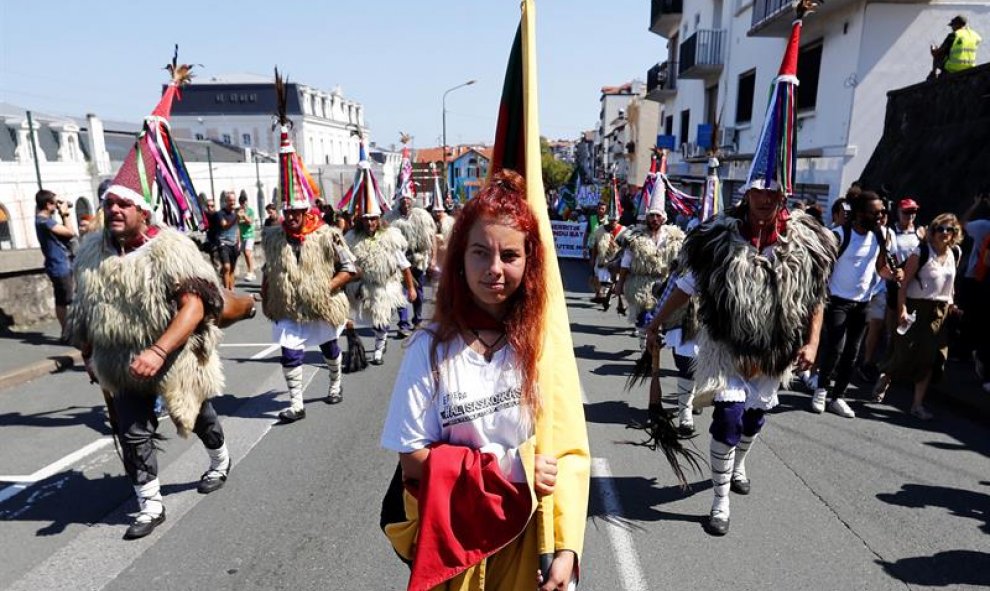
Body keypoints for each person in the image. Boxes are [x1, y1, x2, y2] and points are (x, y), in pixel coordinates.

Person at [380, 170, 587, 589]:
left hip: (527, 539)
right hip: (455, 539)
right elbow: (412, 460)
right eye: (480, 252)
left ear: (530, 262)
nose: (494, 269)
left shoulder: (542, 347)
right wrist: (512, 469)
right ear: (460, 258)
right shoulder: (430, 348)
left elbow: (564, 451)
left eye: (510, 256)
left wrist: (566, 548)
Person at [69, 59, 230, 539]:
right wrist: (90, 354)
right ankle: (148, 504)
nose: (113, 210)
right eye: (109, 204)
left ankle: (219, 459)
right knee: (132, 430)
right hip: (121, 361)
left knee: (198, 416)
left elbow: (196, 305)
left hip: (172, 355)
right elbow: (85, 310)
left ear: (143, 210)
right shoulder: (91, 252)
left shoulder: (170, 248)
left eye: (123, 204)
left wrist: (160, 349)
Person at [262, 105, 356, 422]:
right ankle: (296, 403)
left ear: (306, 211)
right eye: (286, 212)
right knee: (289, 352)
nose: (290, 217)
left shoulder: (328, 235)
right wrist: (266, 296)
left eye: (295, 212)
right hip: (288, 307)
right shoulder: (274, 237)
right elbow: (268, 270)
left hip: (322, 305)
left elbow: (350, 268)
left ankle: (335, 383)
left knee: (329, 348)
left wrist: (326, 288)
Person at [811, 191, 902, 418]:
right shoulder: (839, 235)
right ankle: (821, 389)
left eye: (883, 211)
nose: (881, 216)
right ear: (860, 213)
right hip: (836, 300)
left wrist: (892, 275)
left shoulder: (880, 237)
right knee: (835, 348)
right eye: (876, 212)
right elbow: (821, 269)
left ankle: (838, 397)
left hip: (862, 302)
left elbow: (880, 267)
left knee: (852, 352)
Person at [874, 214, 964, 419]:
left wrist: (952, 304)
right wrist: (902, 309)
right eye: (939, 229)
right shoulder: (921, 252)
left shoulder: (955, 253)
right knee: (904, 351)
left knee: (931, 357)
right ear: (932, 231)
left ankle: (917, 405)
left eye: (949, 229)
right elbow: (903, 285)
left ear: (955, 233)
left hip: (939, 311)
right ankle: (887, 374)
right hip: (916, 307)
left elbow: (950, 284)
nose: (944, 233)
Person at [344, 161, 416, 366]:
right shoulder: (352, 238)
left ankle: (378, 348)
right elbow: (346, 263)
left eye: (373, 219)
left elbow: (404, 265)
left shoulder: (391, 237)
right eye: (366, 220)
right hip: (363, 286)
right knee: (370, 320)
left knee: (382, 319)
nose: (370, 223)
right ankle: (379, 341)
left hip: (386, 286)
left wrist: (410, 288)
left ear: (379, 219)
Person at [614, 194, 684, 349]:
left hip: (665, 282)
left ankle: (653, 339)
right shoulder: (636, 237)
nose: (654, 219)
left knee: (665, 315)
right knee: (645, 315)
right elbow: (626, 262)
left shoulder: (674, 238)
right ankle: (645, 342)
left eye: (657, 215)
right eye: (651, 215)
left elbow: (682, 260)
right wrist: (619, 283)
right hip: (641, 283)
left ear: (663, 218)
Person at [385, 190, 436, 337]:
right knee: (401, 292)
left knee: (418, 292)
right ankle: (403, 324)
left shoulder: (423, 217)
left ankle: (418, 319)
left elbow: (431, 238)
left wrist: (433, 258)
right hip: (398, 260)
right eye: (403, 199)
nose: (406, 202)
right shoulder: (390, 218)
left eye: (408, 199)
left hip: (418, 259)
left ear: (412, 200)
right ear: (399, 201)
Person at [34, 190, 76, 335]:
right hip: (60, 265)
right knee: (67, 300)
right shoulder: (44, 221)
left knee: (62, 299)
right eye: (55, 203)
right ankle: (67, 332)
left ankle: (66, 331)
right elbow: (70, 233)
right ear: (48, 204)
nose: (57, 205)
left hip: (59, 264)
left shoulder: (42, 220)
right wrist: (65, 214)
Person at [960, 192, 990, 390]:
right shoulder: (984, 227)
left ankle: (972, 351)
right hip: (981, 278)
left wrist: (975, 204)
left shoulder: (983, 225)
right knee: (977, 320)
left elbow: (962, 223)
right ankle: (976, 354)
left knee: (975, 319)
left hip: (977, 278)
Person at [217, 191, 240, 290]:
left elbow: (237, 228)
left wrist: (239, 242)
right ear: (226, 201)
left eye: (234, 200)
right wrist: (236, 218)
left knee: (232, 270)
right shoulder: (220, 213)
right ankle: (226, 291)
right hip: (223, 243)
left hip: (234, 243)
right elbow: (225, 226)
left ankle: (232, 291)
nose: (233, 203)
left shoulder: (236, 213)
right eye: (230, 200)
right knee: (227, 267)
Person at [237, 193, 257, 281]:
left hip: (250, 235)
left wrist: (244, 215)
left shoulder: (250, 211)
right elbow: (237, 224)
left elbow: (250, 222)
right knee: (245, 254)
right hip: (242, 236)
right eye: (241, 203)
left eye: (244, 203)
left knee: (247, 252)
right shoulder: (237, 212)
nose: (243, 205)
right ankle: (252, 272)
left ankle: (250, 272)